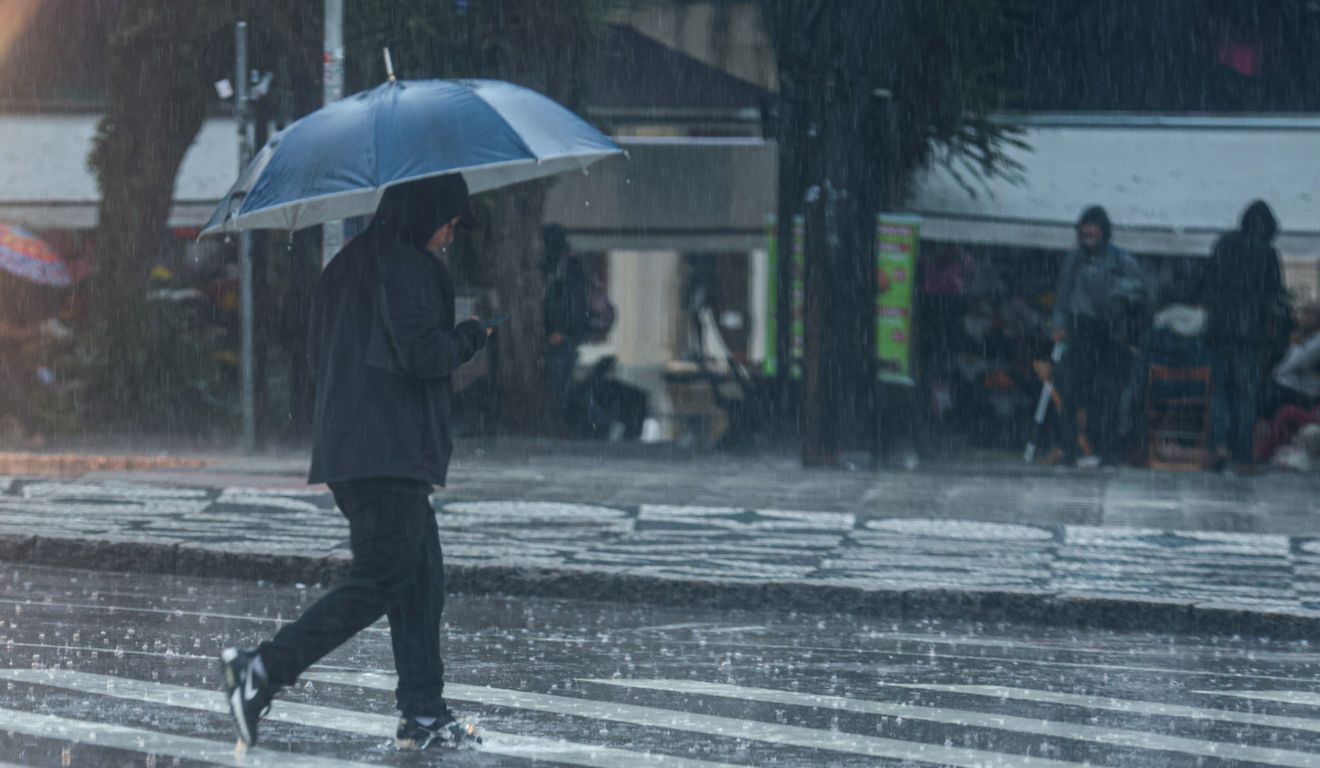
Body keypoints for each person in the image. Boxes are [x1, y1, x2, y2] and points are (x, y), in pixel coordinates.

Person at [220, 174, 489, 751]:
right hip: (387, 451)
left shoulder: (346, 265)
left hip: (356, 448)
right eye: (449, 222)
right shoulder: (407, 266)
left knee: (421, 578)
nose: (449, 235)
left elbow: (320, 355)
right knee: (379, 580)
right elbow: (423, 355)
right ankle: (261, 670)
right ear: (426, 214)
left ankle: (423, 711)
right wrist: (471, 336)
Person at [1050, 205, 1147, 466]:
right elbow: (1063, 295)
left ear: (1103, 230)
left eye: (1093, 227)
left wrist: (1119, 298)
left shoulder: (1120, 259)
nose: (1088, 232)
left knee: (1108, 394)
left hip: (1110, 332)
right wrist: (1058, 324)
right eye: (1085, 226)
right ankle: (1070, 447)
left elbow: (1139, 289)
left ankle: (1106, 449)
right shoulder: (1074, 260)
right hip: (1080, 329)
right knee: (1071, 391)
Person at [1204, 200, 1286, 471]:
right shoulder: (1268, 254)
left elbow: (1208, 283)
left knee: (1219, 391)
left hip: (1219, 333)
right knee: (1245, 395)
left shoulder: (1224, 244)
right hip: (1249, 336)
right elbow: (1275, 296)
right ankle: (1243, 455)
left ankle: (1219, 446)